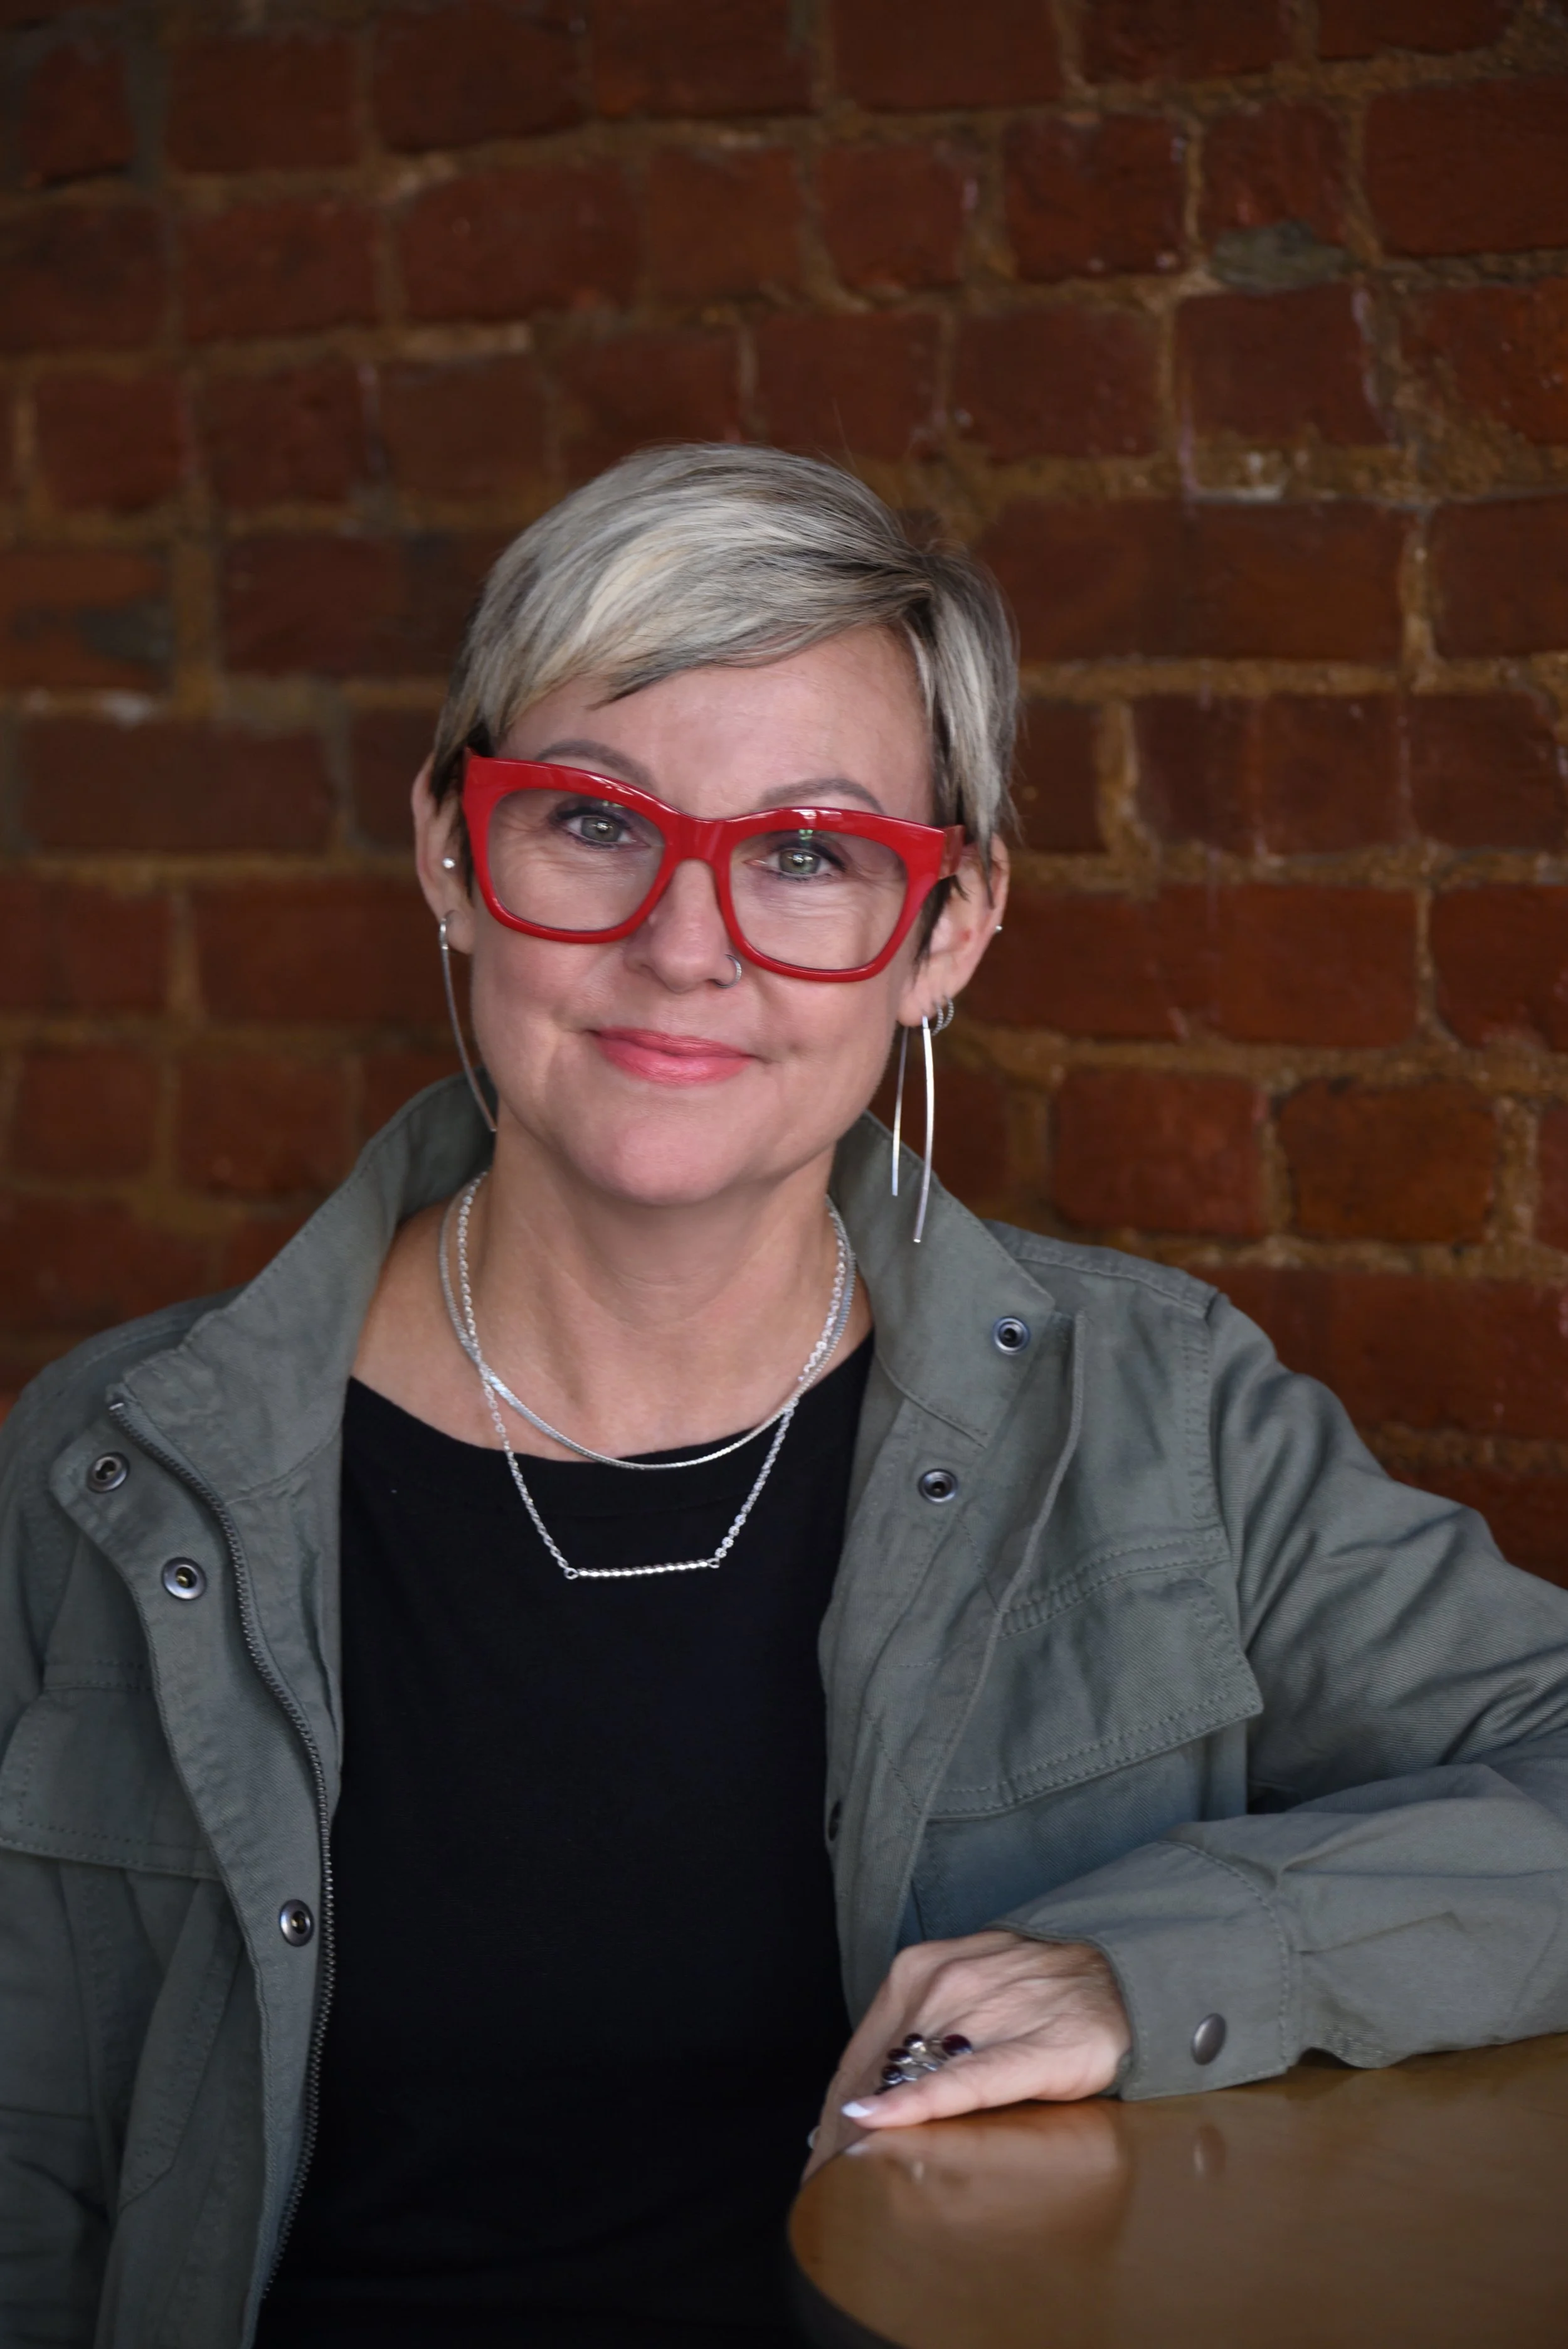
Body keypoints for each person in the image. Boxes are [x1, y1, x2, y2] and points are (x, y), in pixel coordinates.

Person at [3, 444, 1568, 2349]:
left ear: (946, 931)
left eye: (809, 854)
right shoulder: (115, 1469)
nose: (686, 942)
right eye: (592, 820)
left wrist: (1158, 1966)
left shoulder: (1154, 1419)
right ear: (447, 848)